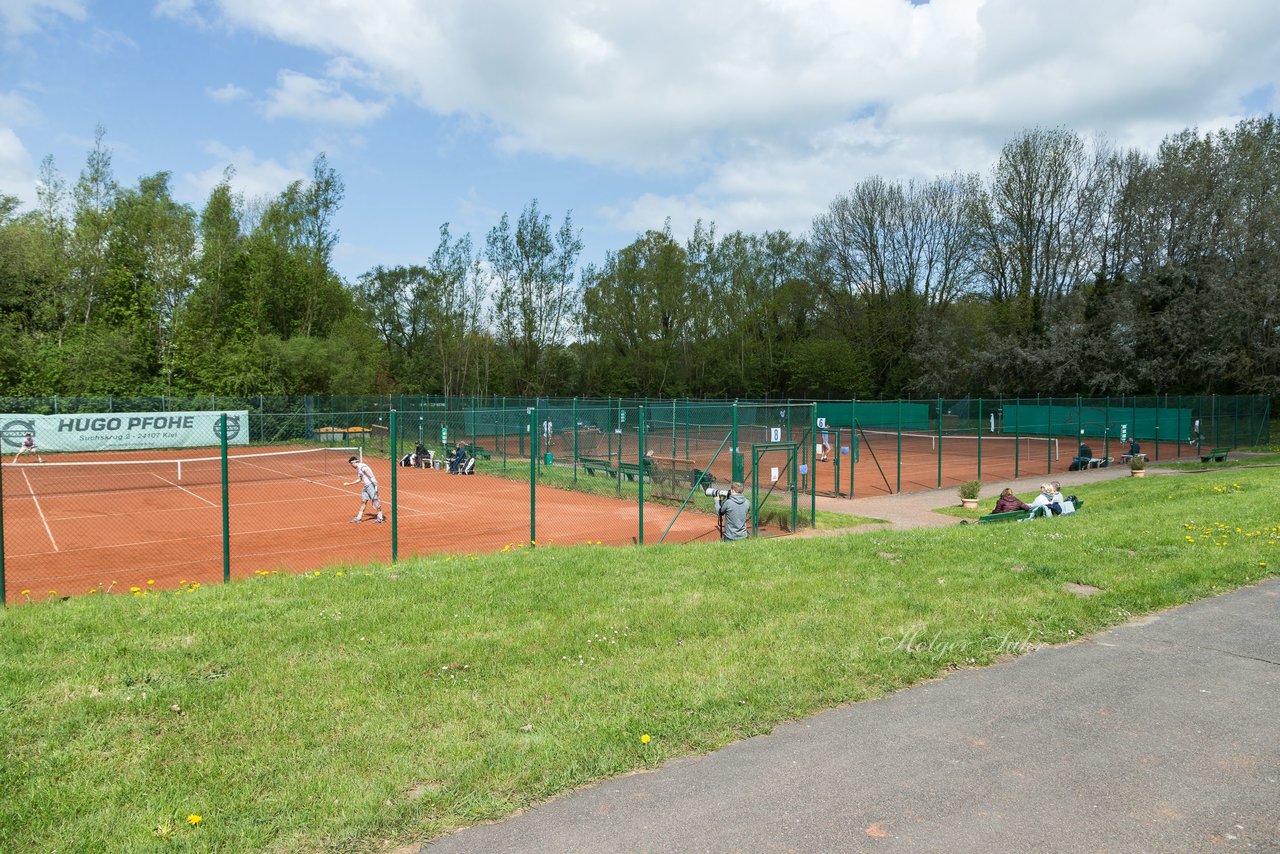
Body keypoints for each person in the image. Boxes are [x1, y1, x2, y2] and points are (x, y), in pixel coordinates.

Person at [344, 456, 384, 523]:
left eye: (351, 464)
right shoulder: (359, 469)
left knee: (376, 502)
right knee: (363, 501)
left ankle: (380, 518)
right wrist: (349, 484)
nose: (351, 466)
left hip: (371, 485)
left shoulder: (362, 466)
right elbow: (360, 479)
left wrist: (373, 479)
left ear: (353, 463)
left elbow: (367, 471)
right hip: (366, 487)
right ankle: (358, 518)